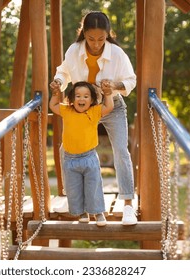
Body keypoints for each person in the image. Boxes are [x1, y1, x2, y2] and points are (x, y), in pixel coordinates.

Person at [50, 11, 138, 225]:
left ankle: (128, 204)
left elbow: (130, 80)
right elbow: (63, 72)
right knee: (66, 148)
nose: (96, 44)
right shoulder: (74, 50)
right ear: (84, 34)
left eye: (101, 39)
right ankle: (71, 191)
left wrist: (114, 86)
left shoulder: (116, 53)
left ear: (108, 35)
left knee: (121, 150)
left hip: (111, 106)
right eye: (91, 38)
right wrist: (57, 82)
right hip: (82, 108)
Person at [49, 81, 114, 226]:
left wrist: (108, 94)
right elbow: (53, 106)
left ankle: (98, 213)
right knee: (74, 189)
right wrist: (55, 94)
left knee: (93, 186)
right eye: (78, 96)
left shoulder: (94, 111)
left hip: (89, 157)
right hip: (70, 159)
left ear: (91, 100)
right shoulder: (67, 110)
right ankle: (82, 212)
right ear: (72, 99)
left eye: (86, 96)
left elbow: (109, 106)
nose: (81, 99)